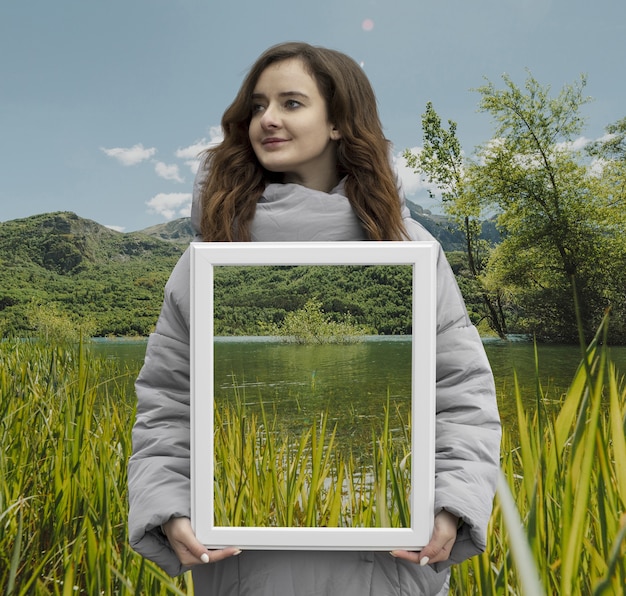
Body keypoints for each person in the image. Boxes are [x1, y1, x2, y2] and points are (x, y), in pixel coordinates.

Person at [128, 41, 501, 595]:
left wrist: (454, 504)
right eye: (256, 106)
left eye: (291, 103)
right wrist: (169, 508)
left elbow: (461, 392)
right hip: (241, 569)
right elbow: (166, 403)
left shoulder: (410, 248)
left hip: (392, 567)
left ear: (338, 123)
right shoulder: (207, 258)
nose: (267, 120)